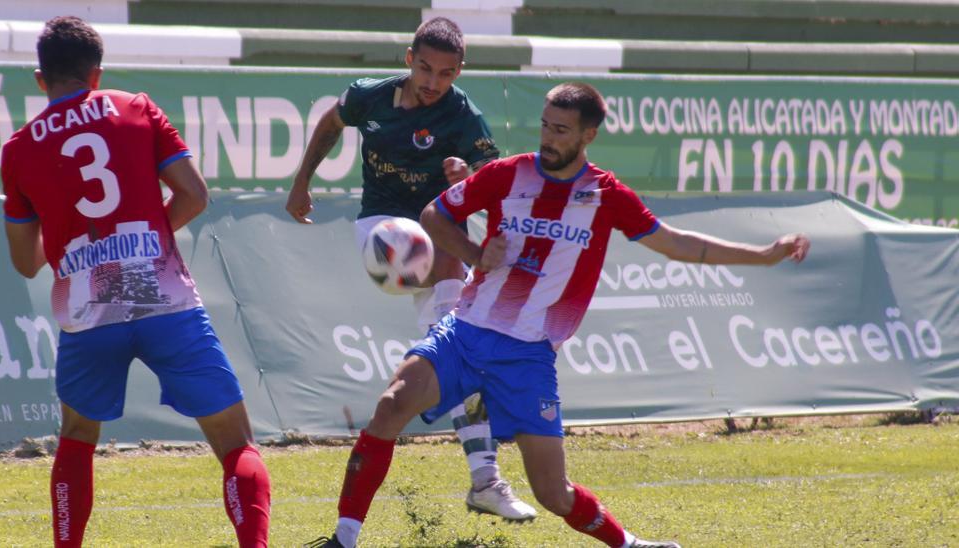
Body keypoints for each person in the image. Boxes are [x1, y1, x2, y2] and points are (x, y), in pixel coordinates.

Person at [309, 81, 810, 548]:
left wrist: (762, 254)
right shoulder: (508, 174)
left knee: (553, 493)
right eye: (545, 125)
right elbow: (435, 214)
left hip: (528, 356)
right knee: (391, 405)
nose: (548, 137)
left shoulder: (607, 196)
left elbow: (678, 244)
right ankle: (344, 538)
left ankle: (629, 544)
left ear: (589, 135)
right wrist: (472, 250)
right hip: (464, 331)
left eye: (561, 129)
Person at [0, 16, 270, 548]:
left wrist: (75, 242)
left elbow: (26, 263)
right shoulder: (135, 108)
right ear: (96, 74)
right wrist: (146, 231)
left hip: (87, 311)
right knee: (236, 443)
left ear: (40, 78)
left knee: (77, 439)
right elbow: (194, 195)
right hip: (163, 299)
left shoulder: (19, 149)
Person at [286, 17, 537, 522]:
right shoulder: (369, 96)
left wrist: (469, 175)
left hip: (440, 247)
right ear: (408, 59)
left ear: (459, 72)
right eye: (425, 68)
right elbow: (332, 123)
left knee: (460, 358)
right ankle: (450, 340)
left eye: (446, 74)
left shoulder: (465, 117)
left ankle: (485, 479)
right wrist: (301, 181)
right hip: (382, 235)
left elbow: (497, 180)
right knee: (444, 250)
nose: (432, 82)